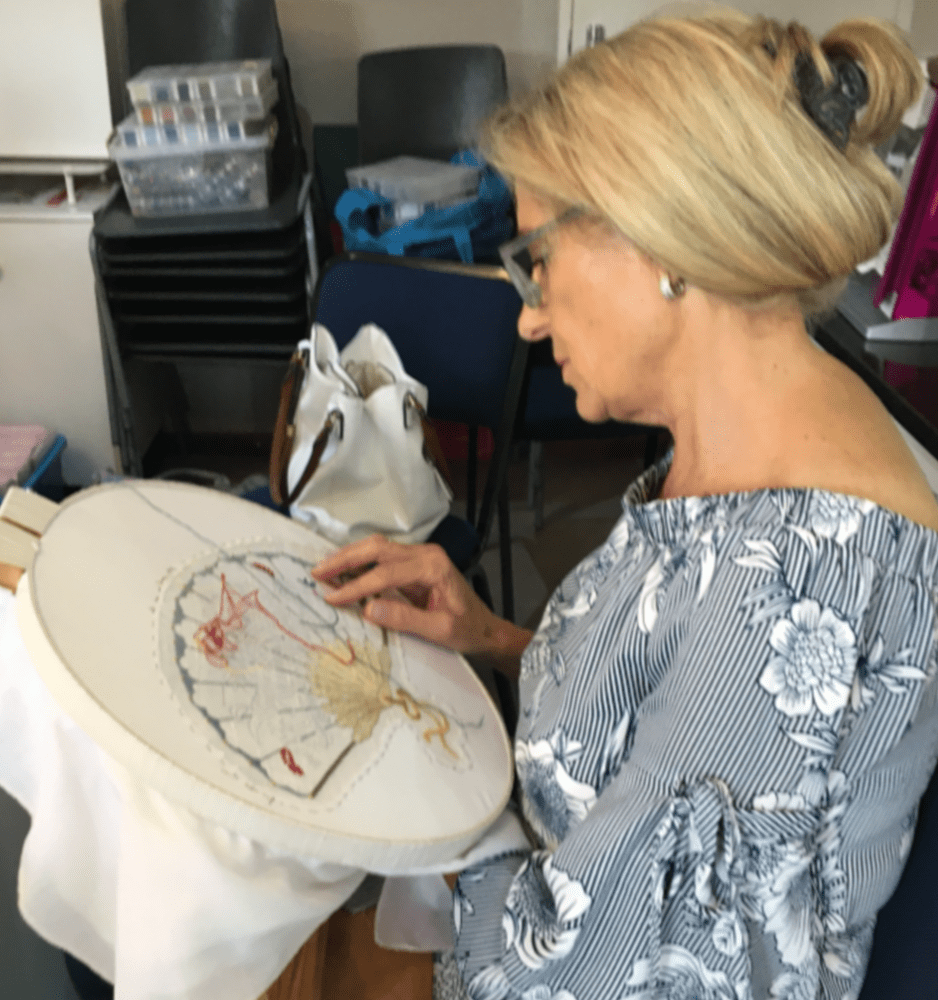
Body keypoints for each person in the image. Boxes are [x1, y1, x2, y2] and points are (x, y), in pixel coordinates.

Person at [313, 8, 938, 999]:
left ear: (661, 240)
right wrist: (491, 638)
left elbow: (592, 973)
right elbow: (659, 716)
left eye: (538, 260)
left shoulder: (789, 584)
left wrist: (424, 834)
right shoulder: (746, 448)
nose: (528, 317)